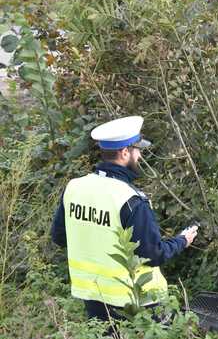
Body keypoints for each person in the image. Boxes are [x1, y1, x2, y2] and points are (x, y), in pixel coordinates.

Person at [51, 116, 198, 322]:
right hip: (136, 300)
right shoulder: (131, 199)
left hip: (93, 295)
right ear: (125, 152)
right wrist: (182, 241)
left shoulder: (74, 187)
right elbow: (152, 254)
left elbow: (59, 237)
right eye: (138, 150)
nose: (140, 156)